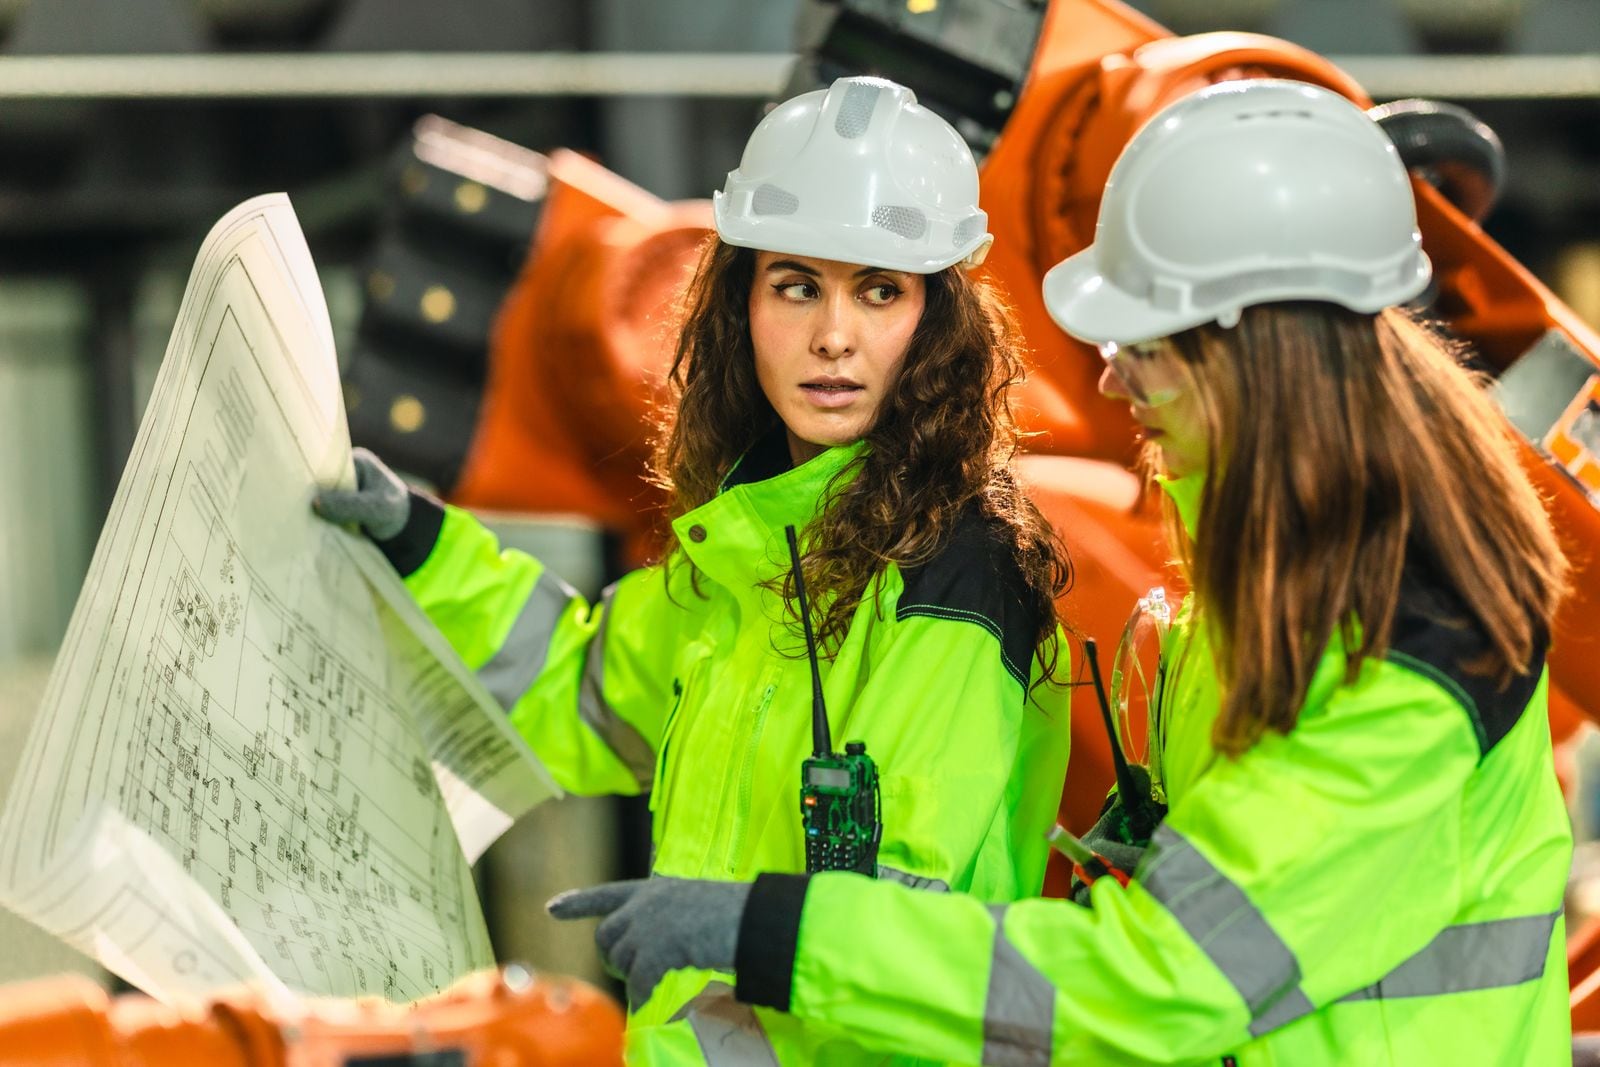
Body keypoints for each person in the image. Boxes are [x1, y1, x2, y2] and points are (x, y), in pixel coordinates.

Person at [551, 79, 1573, 1065]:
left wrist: (776, 933)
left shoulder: (1400, 655)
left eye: (1147, 342)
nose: (1107, 372)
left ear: (1255, 353)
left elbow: (1162, 977)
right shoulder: (1273, 582)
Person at [315, 75, 1074, 1065]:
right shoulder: (745, 558)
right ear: (741, 304)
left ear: (935, 320)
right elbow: (573, 687)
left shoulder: (956, 577)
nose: (832, 335)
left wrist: (722, 940)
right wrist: (420, 545)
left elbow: (901, 937)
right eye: (796, 284)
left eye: (878, 289)